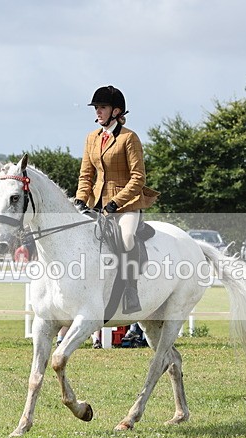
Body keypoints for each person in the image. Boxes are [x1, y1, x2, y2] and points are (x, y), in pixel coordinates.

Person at [74, 85, 159, 314]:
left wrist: (115, 203)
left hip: (126, 204)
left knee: (127, 237)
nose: (97, 112)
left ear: (116, 111)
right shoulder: (91, 138)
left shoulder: (129, 138)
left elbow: (138, 178)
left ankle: (131, 289)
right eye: (96, 108)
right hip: (97, 203)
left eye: (102, 107)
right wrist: (81, 199)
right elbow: (86, 175)